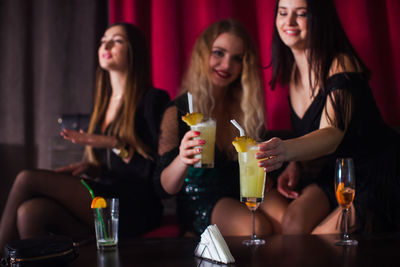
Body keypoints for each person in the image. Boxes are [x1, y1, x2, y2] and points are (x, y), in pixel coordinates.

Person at [0, 22, 170, 250]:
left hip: (135, 206)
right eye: (103, 41)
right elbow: (113, 168)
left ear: (134, 51)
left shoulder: (153, 100)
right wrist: (92, 167)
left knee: (26, 178)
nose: (106, 45)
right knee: (30, 213)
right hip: (106, 196)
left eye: (117, 40)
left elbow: (155, 174)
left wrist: (115, 144)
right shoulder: (102, 104)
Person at [257, 0, 400, 235]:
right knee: (293, 223)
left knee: (320, 238)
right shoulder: (293, 73)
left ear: (320, 19)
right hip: (336, 172)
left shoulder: (340, 64)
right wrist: (296, 163)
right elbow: (312, 132)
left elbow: (331, 134)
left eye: (301, 14)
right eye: (283, 13)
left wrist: (284, 151)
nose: (288, 22)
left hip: (376, 172)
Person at [153, 19, 271, 236]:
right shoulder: (178, 111)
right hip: (203, 201)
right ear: (202, 55)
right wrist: (182, 158)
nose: (227, 65)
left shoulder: (246, 108)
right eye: (219, 53)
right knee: (259, 228)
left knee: (289, 221)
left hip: (242, 192)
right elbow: (164, 188)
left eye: (237, 59)